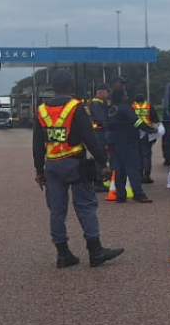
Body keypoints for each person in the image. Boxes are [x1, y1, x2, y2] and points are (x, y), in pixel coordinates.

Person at [32, 69, 124, 268]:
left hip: (52, 165)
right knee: (85, 206)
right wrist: (102, 163)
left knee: (56, 210)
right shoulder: (76, 107)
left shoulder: (41, 110)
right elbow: (89, 137)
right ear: (71, 87)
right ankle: (95, 250)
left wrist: (39, 170)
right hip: (75, 163)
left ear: (53, 88)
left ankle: (63, 254)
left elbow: (37, 142)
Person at [106, 89, 155, 203]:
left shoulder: (111, 110)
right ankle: (138, 194)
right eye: (126, 94)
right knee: (133, 168)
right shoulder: (126, 108)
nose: (127, 96)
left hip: (115, 143)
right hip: (128, 142)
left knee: (119, 170)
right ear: (123, 97)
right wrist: (149, 129)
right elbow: (136, 122)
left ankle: (120, 195)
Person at [132, 93, 160, 184]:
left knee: (137, 155)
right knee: (146, 155)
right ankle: (147, 176)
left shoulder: (132, 107)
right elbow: (155, 119)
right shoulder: (148, 106)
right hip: (147, 133)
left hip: (135, 133)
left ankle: (139, 176)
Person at [88, 83, 111, 193]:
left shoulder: (99, 103)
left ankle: (99, 179)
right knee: (100, 157)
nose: (107, 94)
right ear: (101, 91)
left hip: (99, 132)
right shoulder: (97, 104)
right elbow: (101, 119)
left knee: (101, 156)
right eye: (107, 92)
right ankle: (98, 181)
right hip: (99, 133)